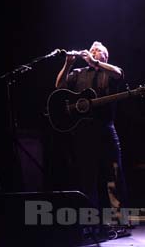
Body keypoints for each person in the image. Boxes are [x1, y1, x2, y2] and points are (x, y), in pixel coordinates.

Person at [54, 41, 128, 227]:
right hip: (84, 133)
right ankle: (90, 223)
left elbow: (119, 73)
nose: (93, 51)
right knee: (87, 179)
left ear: (105, 56)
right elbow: (59, 87)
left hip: (105, 131)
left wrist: (95, 62)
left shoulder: (107, 71)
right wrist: (68, 63)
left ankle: (119, 221)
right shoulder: (78, 73)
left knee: (113, 175)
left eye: (98, 50)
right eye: (92, 49)